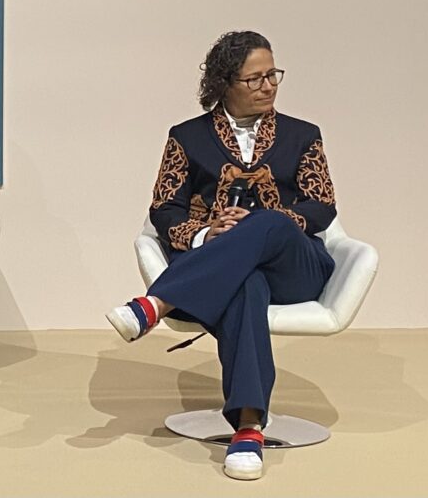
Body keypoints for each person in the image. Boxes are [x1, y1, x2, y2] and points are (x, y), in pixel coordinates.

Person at [106, 31, 337, 481]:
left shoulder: (303, 135)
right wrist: (206, 233)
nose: (268, 86)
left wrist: (260, 222)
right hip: (226, 274)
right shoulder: (186, 137)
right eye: (255, 79)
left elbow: (322, 205)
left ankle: (158, 303)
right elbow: (165, 209)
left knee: (269, 224)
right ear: (225, 83)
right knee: (245, 283)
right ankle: (248, 428)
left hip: (296, 267)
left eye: (273, 75)